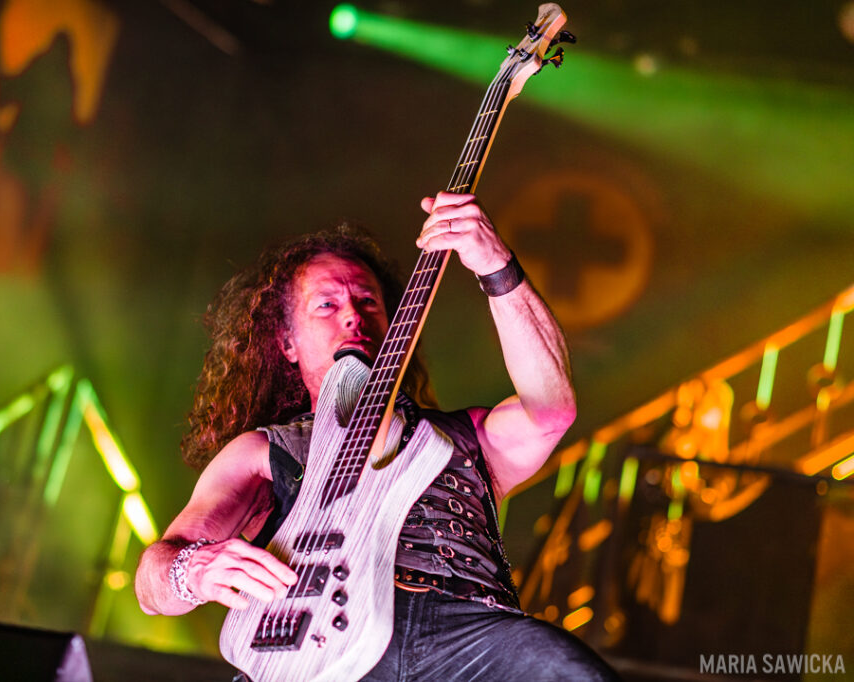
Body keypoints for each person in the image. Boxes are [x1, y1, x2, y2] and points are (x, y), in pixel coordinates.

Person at [135, 192, 619, 680]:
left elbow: (550, 410)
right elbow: (153, 585)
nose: (353, 315)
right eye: (327, 304)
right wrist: (191, 571)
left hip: (469, 637)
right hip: (313, 644)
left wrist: (495, 266)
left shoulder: (466, 437)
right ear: (287, 342)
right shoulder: (265, 450)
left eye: (368, 301)